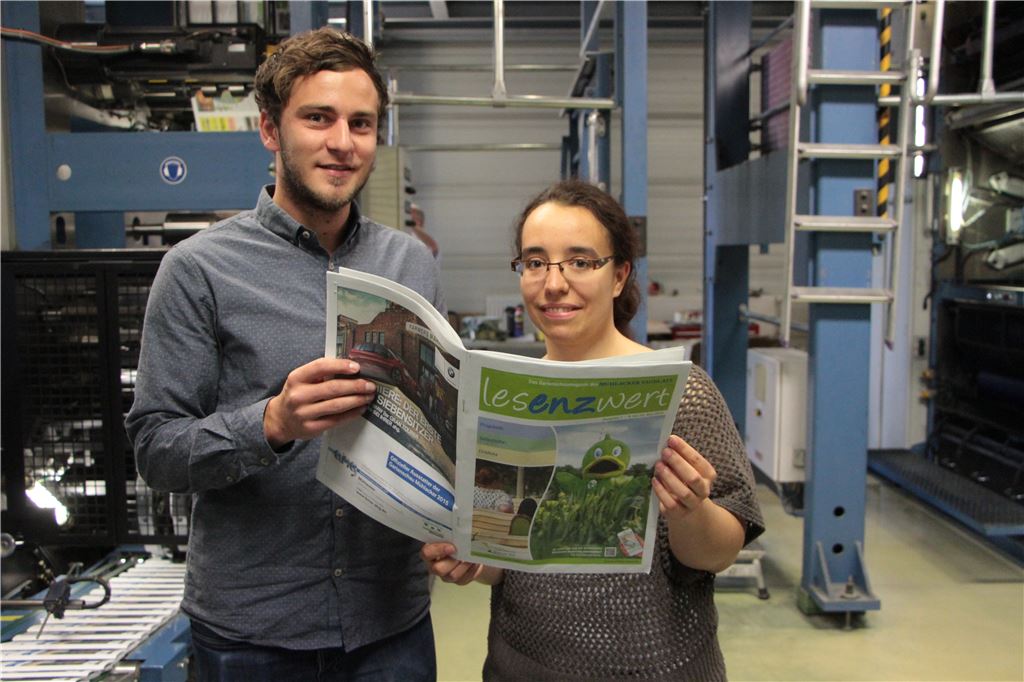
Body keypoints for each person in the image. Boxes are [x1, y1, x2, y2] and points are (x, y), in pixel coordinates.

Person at [126, 28, 442, 682]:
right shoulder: (198, 271)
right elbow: (157, 448)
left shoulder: (409, 261)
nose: (342, 142)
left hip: (390, 624)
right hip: (254, 635)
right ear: (270, 131)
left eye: (361, 123)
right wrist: (271, 423)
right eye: (318, 118)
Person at [421, 179, 764, 681]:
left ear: (620, 275)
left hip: (658, 669)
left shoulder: (683, 394)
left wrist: (692, 510)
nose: (553, 284)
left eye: (580, 262)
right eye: (535, 262)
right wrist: (474, 562)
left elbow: (721, 552)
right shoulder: (501, 401)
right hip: (521, 666)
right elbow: (507, 561)